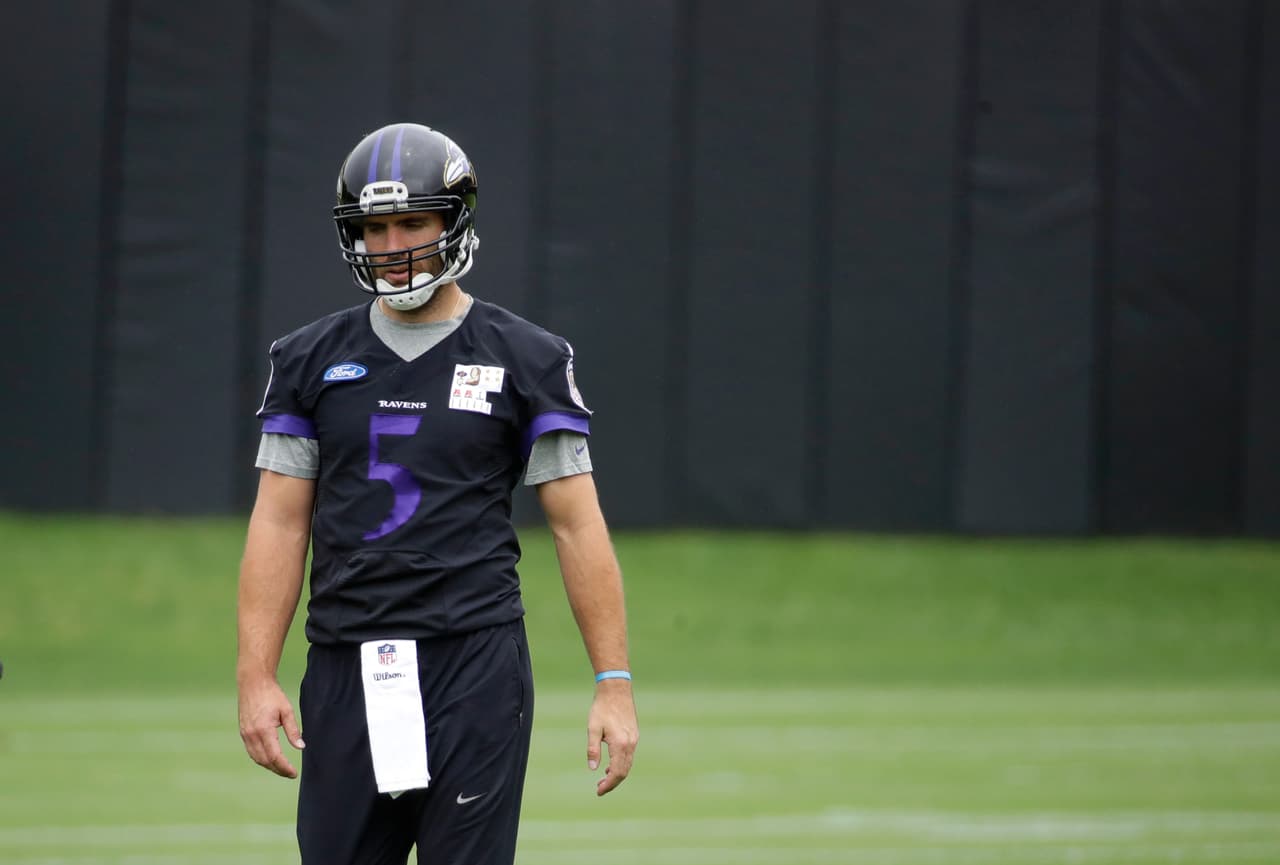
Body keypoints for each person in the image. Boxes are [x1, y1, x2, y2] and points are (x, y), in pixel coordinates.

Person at [236, 122, 638, 865]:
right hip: (346, 661)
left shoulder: (527, 357)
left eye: (412, 221)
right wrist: (254, 674)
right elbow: (280, 522)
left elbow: (580, 528)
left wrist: (612, 681)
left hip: (473, 665)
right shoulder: (306, 359)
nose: (392, 246)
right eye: (374, 226)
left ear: (456, 220)